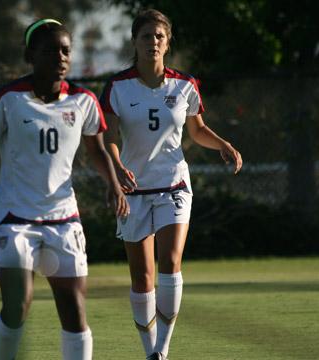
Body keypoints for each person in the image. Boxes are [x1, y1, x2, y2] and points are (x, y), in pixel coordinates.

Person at [0, 19, 129, 360]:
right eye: (51, 50)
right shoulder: (9, 99)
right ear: (30, 55)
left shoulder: (83, 101)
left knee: (74, 310)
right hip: (14, 217)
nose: (61, 56)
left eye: (66, 50)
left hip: (63, 218)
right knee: (17, 304)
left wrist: (113, 184)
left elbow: (96, 149)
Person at [100, 9, 243, 360]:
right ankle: (149, 350)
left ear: (168, 42)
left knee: (171, 260)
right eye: (146, 36)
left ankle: (162, 350)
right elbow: (110, 136)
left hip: (173, 184)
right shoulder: (118, 87)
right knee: (141, 276)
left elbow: (196, 130)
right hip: (133, 190)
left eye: (159, 37)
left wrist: (223, 144)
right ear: (134, 41)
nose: (153, 42)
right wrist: (116, 167)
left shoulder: (185, 85)